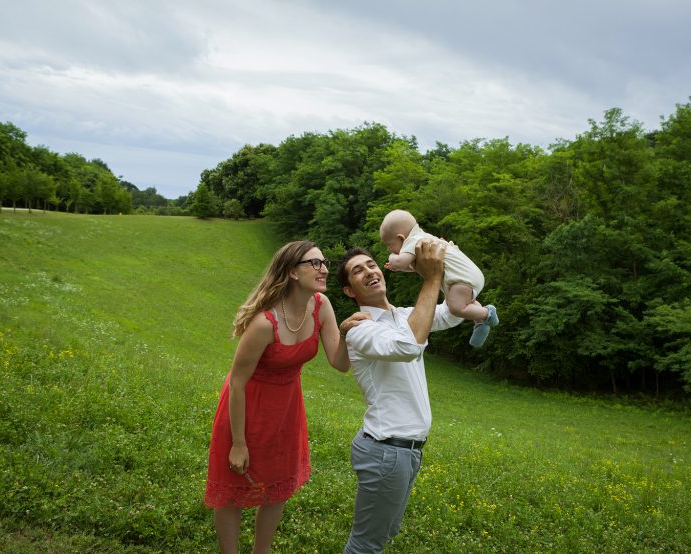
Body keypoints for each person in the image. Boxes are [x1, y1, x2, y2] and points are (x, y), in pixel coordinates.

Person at [204, 240, 366, 554]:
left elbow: (340, 363)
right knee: (232, 487)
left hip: (287, 409)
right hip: (247, 407)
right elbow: (237, 383)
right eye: (314, 263)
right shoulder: (265, 323)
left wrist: (347, 334)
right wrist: (238, 443)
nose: (324, 269)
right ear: (293, 271)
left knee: (277, 488)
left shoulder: (321, 306)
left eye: (324, 262)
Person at [337, 240, 463, 553]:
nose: (368, 271)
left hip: (405, 451)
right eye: (357, 271)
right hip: (386, 451)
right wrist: (431, 279)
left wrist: (450, 263)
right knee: (366, 544)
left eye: (370, 265)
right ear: (349, 291)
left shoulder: (407, 316)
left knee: (384, 532)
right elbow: (407, 347)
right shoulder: (360, 330)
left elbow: (455, 312)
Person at [380, 209, 499, 347]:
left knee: (455, 308)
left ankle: (486, 314)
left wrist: (393, 259)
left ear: (401, 238)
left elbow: (400, 262)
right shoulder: (424, 238)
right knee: (461, 304)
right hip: (468, 276)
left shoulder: (414, 240)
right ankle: (479, 319)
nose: (389, 250)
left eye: (389, 245)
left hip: (463, 278)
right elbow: (413, 267)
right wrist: (399, 266)